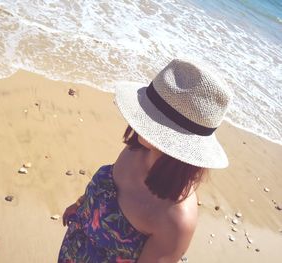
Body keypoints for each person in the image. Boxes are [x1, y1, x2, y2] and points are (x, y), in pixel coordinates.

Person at [58, 58, 232, 262]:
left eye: (154, 118)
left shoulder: (176, 218)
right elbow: (106, 190)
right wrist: (81, 204)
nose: (142, 119)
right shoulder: (137, 150)